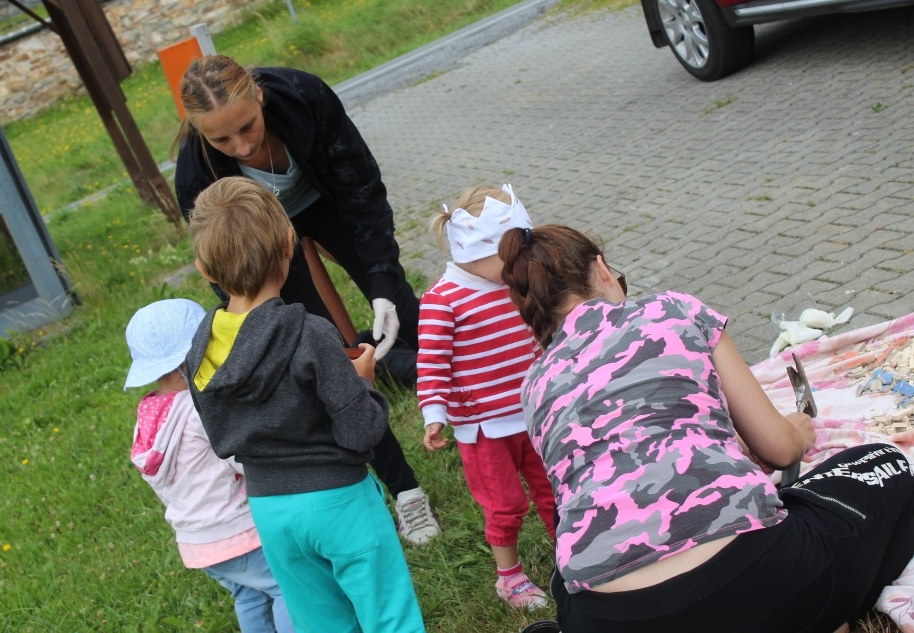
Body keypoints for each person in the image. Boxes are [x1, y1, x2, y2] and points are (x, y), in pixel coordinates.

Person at [497, 224, 914, 633]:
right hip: (761, 575)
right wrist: (798, 433)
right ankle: (816, 609)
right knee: (885, 463)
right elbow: (780, 450)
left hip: (602, 615)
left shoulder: (533, 387)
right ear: (602, 269)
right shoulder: (671, 309)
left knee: (567, 574)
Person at [173, 56, 439, 544]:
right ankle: (406, 491)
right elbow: (229, 269)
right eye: (222, 140)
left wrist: (382, 277)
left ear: (258, 96)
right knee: (329, 361)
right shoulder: (196, 175)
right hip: (264, 240)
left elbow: (362, 191)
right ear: (199, 132)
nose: (243, 146)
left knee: (401, 304)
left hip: (326, 201)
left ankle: (486, 403)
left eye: (248, 127)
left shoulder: (305, 96)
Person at [183, 177, 427, 633]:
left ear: (205, 270)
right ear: (288, 245)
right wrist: (364, 384)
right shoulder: (311, 333)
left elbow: (221, 438)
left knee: (322, 624)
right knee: (389, 618)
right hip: (339, 502)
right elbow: (361, 431)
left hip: (270, 512)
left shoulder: (200, 347)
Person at [417, 184, 555, 609]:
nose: (521, 266)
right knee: (504, 503)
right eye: (511, 258)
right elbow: (432, 362)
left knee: (556, 487)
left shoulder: (514, 283)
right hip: (485, 427)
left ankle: (575, 553)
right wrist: (434, 413)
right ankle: (509, 578)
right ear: (475, 252)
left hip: (535, 413)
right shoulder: (443, 301)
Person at [123, 298, 293, 633]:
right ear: (188, 360)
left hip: (197, 542)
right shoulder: (199, 409)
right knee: (285, 586)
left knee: (249, 595)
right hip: (236, 531)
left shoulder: (150, 414)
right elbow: (239, 457)